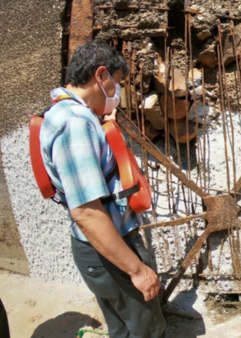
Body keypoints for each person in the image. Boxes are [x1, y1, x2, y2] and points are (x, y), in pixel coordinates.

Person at [39, 40, 166, 337]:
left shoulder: (65, 112)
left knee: (123, 329)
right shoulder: (74, 123)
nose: (117, 92)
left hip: (101, 248)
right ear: (101, 76)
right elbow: (86, 212)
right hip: (109, 248)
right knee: (146, 330)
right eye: (117, 83)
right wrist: (137, 270)